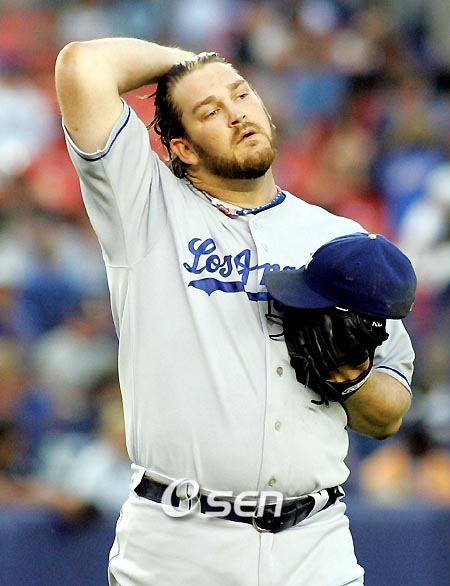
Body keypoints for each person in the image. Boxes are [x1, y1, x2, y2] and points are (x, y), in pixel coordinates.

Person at [54, 39, 415, 586]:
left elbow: (388, 414)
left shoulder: (340, 240)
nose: (236, 112)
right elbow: (82, 66)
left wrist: (352, 377)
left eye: (242, 94)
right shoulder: (145, 208)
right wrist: (192, 62)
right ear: (183, 149)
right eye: (210, 111)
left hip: (313, 547)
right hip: (177, 546)